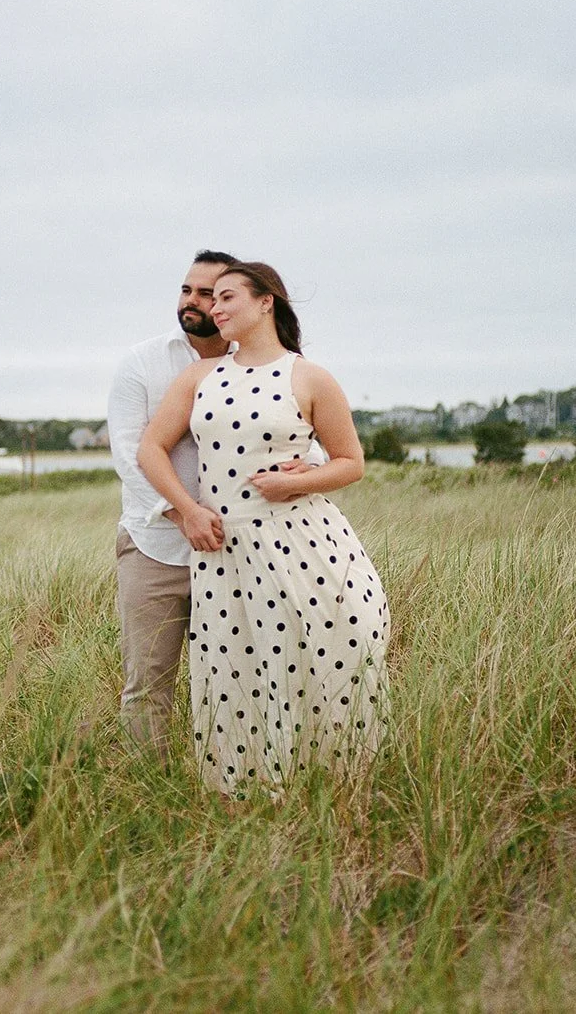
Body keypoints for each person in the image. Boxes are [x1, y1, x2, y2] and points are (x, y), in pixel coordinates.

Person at [138, 262, 390, 795]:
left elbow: (350, 462)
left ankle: (333, 784)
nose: (215, 308)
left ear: (266, 302)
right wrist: (188, 509)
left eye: (227, 297)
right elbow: (150, 449)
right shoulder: (199, 377)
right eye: (212, 300)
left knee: (319, 658)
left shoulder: (310, 376)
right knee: (237, 673)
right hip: (226, 551)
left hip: (303, 544)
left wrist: (299, 483)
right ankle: (246, 794)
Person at [107, 250, 244, 751]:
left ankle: (229, 784)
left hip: (238, 551)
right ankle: (150, 796)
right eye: (187, 290)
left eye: (207, 293)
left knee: (238, 683)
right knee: (147, 685)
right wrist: (181, 512)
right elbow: (129, 454)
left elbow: (297, 439)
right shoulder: (142, 362)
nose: (192, 300)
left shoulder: (256, 363)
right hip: (155, 547)